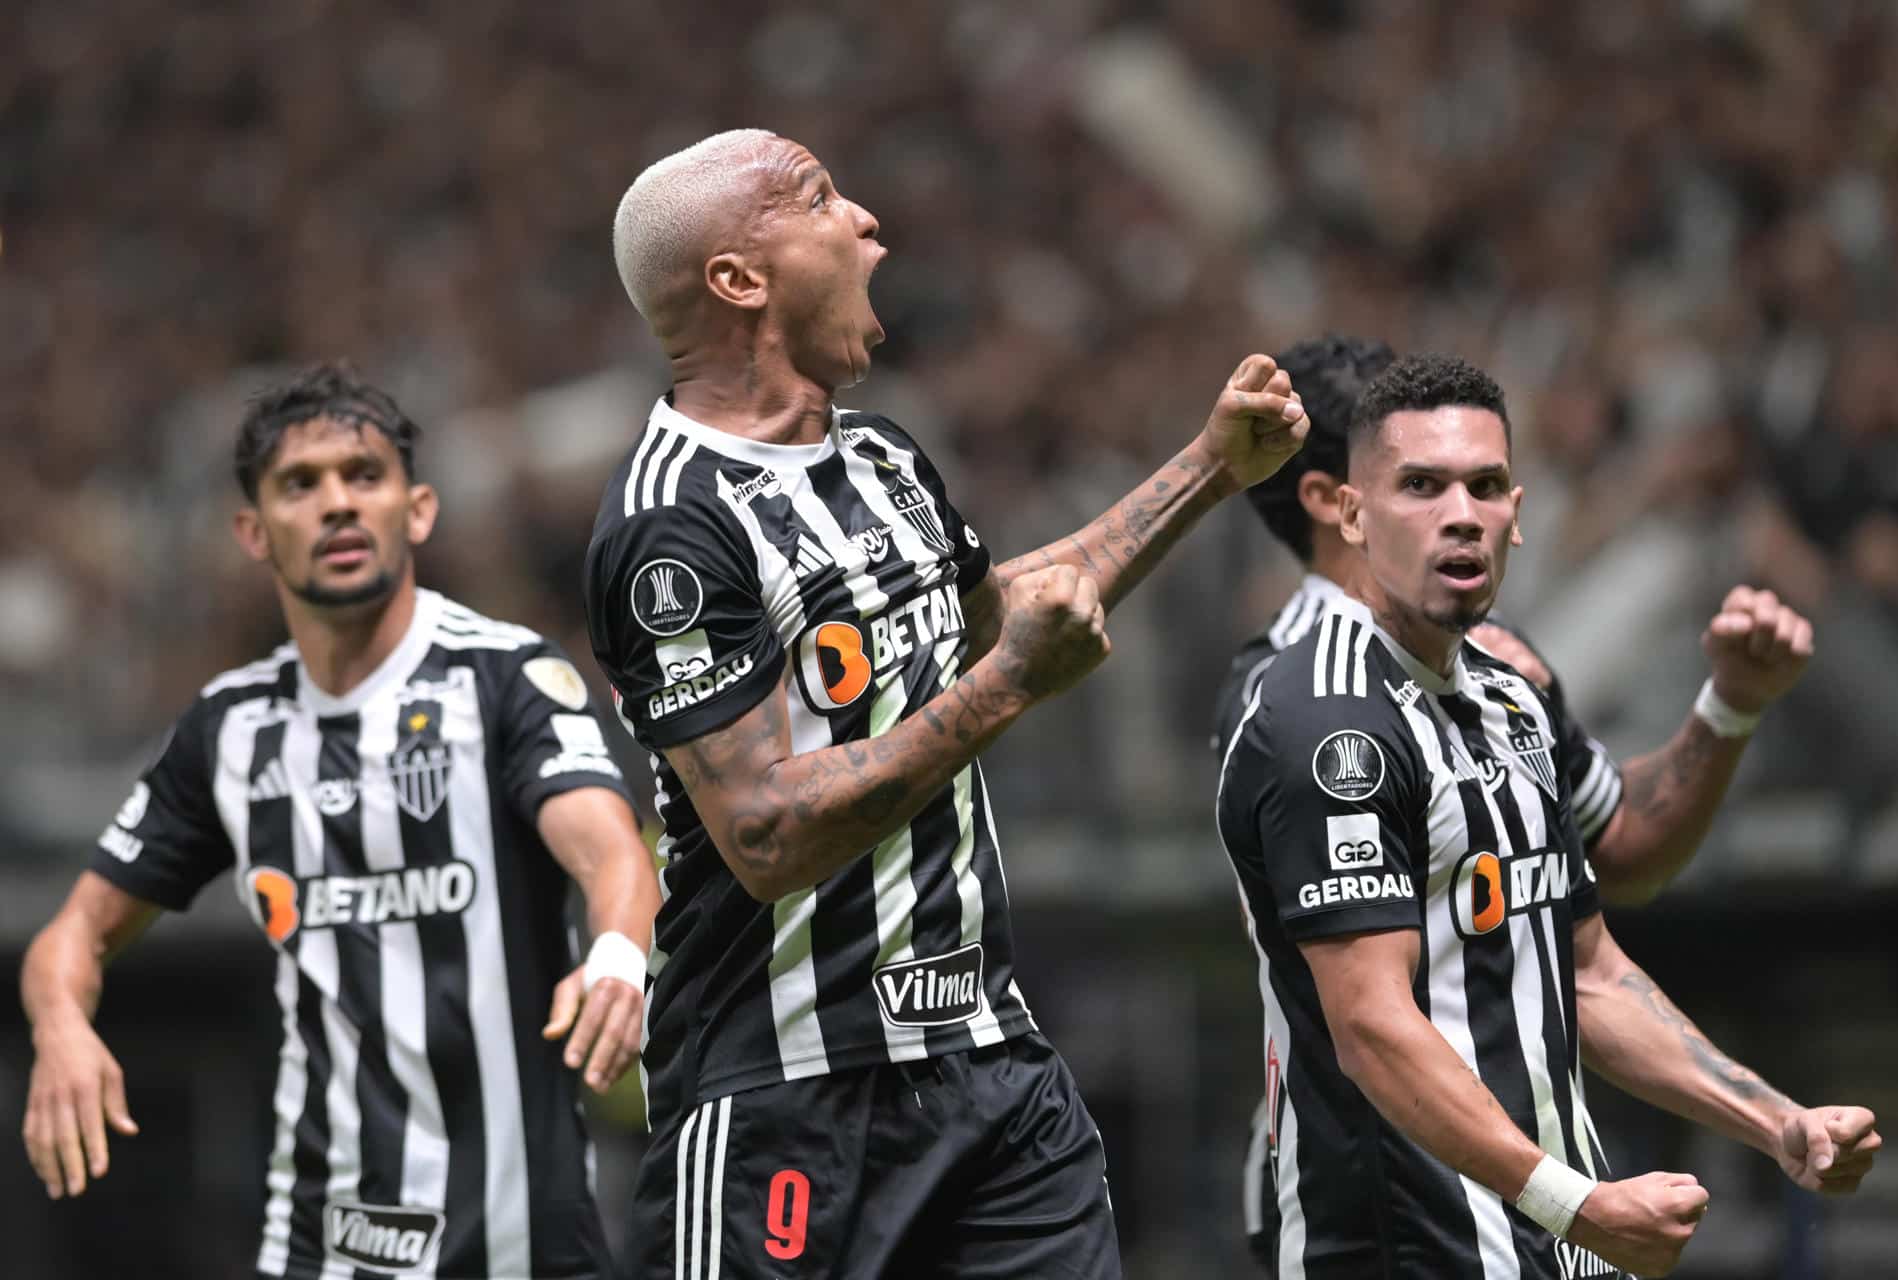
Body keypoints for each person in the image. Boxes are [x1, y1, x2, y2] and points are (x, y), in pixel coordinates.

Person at [587, 128, 1308, 1279]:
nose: (869, 222)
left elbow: (996, 613)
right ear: (739, 279)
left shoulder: (879, 457)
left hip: (992, 1067)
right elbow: (767, 830)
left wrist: (1212, 467)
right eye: (823, 198)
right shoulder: (672, 528)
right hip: (788, 1094)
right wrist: (1013, 686)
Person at [1214, 353, 1881, 1279]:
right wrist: (1584, 1207)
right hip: (1411, 1247)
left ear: (1516, 517)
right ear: (1352, 515)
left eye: (1485, 486)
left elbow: (1589, 971)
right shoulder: (1318, 719)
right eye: (1421, 486)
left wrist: (1777, 1120)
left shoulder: (1512, 699)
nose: (1460, 514)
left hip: (1556, 1239)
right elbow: (1370, 1025)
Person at [19, 364, 660, 1280]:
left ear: (420, 510)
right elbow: (70, 937)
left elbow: (612, 855)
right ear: (253, 531)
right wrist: (61, 1031)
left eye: (364, 476)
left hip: (526, 1240)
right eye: (300, 484)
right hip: (323, 1240)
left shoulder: (503, 677)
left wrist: (615, 962)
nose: (336, 505)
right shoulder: (230, 730)